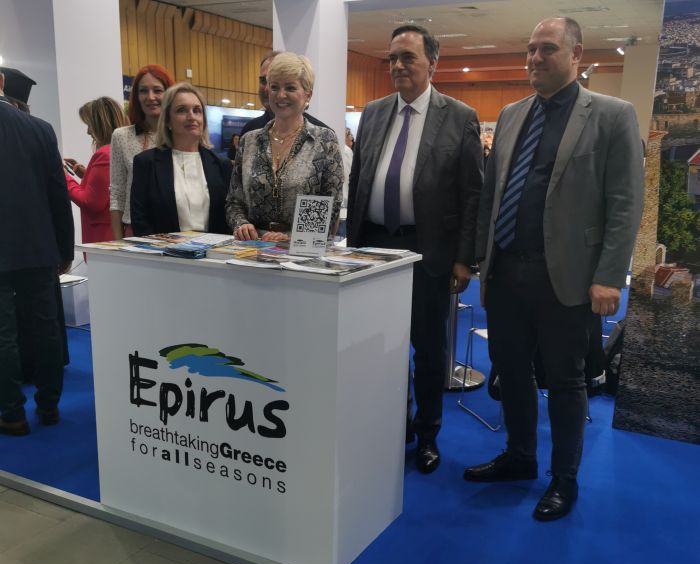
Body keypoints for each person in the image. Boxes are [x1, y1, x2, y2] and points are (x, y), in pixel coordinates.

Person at [464, 17, 644, 521]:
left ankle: (564, 479)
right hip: (506, 272)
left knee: (565, 381)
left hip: (567, 278)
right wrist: (484, 264)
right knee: (511, 371)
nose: (535, 58)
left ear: (576, 55)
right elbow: (493, 196)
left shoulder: (612, 115)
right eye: (530, 49)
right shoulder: (511, 114)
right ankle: (520, 456)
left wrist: (609, 275)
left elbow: (625, 203)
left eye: (547, 49)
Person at [346, 25, 483, 474]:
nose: (398, 66)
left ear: (432, 63)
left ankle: (427, 434)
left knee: (427, 350)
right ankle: (390, 424)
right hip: (373, 249)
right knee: (377, 345)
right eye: (392, 58)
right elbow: (359, 179)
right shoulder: (372, 113)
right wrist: (352, 249)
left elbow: (472, 195)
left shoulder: (459, 116)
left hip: (428, 252)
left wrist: (464, 258)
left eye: (408, 57)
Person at [0, 68, 74, 434]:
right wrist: (64, 247)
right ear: (1, 82)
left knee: (3, 334)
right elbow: (58, 194)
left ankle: (12, 413)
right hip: (38, 248)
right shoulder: (41, 130)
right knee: (45, 328)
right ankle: (49, 406)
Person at [226, 52, 343, 242]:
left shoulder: (324, 141)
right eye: (274, 87)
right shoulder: (249, 141)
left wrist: (290, 238)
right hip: (253, 248)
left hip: (302, 249)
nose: (281, 95)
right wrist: (241, 224)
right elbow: (234, 201)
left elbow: (331, 205)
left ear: (308, 94)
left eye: (290, 87)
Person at [130, 83, 232, 236]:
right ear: (168, 121)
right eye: (181, 110)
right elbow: (140, 220)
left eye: (197, 110)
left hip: (215, 249)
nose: (191, 116)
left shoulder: (222, 164)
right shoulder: (146, 163)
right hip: (163, 249)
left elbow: (229, 217)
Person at [110, 64, 175, 239]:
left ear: (169, 94)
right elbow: (117, 193)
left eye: (157, 90)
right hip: (135, 232)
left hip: (177, 232)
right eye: (143, 91)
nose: (150, 97)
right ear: (136, 96)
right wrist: (118, 243)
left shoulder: (181, 137)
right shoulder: (121, 137)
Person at [64, 97, 129, 244]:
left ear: (101, 124)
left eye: (90, 125)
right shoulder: (119, 150)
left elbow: (90, 203)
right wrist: (86, 175)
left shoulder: (105, 155)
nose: (88, 131)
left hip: (103, 237)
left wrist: (65, 179)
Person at [239, 50, 329, 138]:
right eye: (264, 81)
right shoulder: (249, 134)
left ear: (308, 95)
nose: (267, 89)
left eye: (290, 88)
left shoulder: (323, 138)